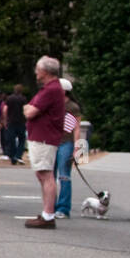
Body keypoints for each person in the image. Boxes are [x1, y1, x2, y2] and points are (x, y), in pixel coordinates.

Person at [23, 56, 67, 229]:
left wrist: (28, 108)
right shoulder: (52, 88)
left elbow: (30, 111)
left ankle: (48, 215)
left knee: (46, 175)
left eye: (37, 69)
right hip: (43, 136)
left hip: (44, 137)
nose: (36, 72)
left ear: (45, 71)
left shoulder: (51, 89)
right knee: (43, 174)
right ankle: (47, 213)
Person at [54, 78, 83, 219]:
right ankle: (50, 205)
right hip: (52, 142)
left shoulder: (72, 106)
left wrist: (77, 148)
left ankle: (63, 207)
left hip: (66, 143)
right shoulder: (53, 104)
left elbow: (77, 129)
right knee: (50, 176)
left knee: (64, 175)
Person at [0, 84, 29, 165]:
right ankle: (18, 155)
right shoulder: (23, 99)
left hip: (11, 122)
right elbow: (26, 109)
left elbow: (5, 110)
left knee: (11, 140)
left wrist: (5, 120)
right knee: (22, 139)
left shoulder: (9, 98)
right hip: (21, 122)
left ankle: (13, 157)